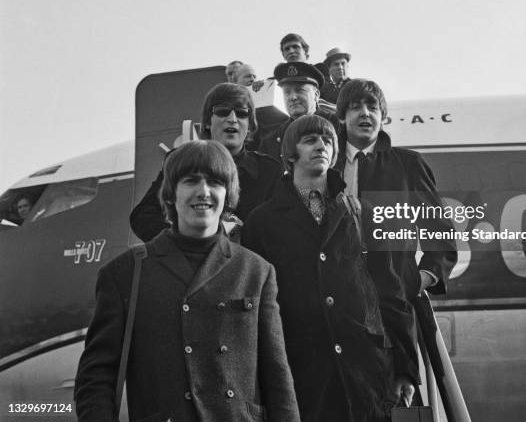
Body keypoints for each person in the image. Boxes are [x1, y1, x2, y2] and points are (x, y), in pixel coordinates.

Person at [75, 141, 299, 422]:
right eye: (191, 181)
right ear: (170, 194)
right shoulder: (124, 274)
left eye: (215, 182)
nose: (204, 192)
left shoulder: (257, 271)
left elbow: (277, 376)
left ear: (227, 194)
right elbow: (95, 378)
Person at [243, 116, 418, 422]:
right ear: (291, 153)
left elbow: (390, 291)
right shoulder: (262, 222)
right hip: (302, 372)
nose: (321, 145)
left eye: (328, 141)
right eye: (310, 140)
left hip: (365, 371)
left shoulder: (364, 213)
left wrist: (404, 367)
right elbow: (254, 306)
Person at [335, 79, 457, 302]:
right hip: (338, 302)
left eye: (373, 107)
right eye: (355, 107)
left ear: (382, 118)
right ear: (342, 117)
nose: (365, 113)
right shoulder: (328, 166)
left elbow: (440, 235)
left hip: (394, 304)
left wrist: (417, 282)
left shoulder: (409, 164)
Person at [130, 83, 280, 242]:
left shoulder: (269, 171)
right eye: (223, 112)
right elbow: (143, 216)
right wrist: (185, 241)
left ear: (250, 125)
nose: (232, 119)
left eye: (242, 114)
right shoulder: (182, 160)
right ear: (208, 121)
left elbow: (279, 230)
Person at [257, 62, 339, 162]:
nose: (293, 97)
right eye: (287, 92)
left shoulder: (336, 124)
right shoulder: (272, 140)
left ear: (316, 95)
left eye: (300, 90)